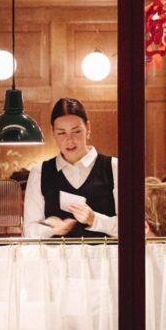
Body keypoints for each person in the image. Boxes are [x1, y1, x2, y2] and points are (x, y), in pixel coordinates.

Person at [24, 97, 118, 238]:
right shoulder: (39, 172)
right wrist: (51, 227)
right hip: (57, 259)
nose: (70, 140)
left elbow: (132, 227)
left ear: (88, 127)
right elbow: (29, 231)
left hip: (104, 258)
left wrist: (95, 219)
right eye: (61, 133)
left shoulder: (113, 167)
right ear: (53, 133)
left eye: (76, 131)